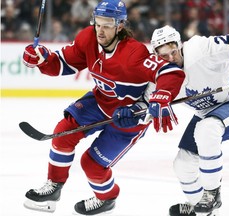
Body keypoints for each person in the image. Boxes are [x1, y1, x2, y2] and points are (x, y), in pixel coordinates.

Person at [22, 1, 185, 215]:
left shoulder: (134, 54)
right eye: (98, 23)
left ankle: (106, 198)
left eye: (107, 25)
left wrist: (161, 96)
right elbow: (64, 63)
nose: (100, 30)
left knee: (91, 164)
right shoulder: (88, 37)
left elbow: (170, 73)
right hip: (100, 102)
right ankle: (53, 187)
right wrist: (43, 59)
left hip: (129, 117)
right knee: (62, 133)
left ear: (119, 26)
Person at [150, 25, 229, 216]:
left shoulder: (200, 49)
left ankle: (211, 192)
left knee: (207, 129)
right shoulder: (159, 75)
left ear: (180, 45)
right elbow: (143, 102)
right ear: (156, 55)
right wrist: (132, 111)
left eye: (174, 52)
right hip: (207, 112)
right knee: (183, 164)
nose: (171, 59)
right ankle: (202, 209)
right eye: (164, 56)